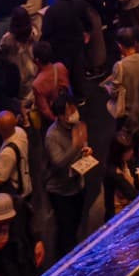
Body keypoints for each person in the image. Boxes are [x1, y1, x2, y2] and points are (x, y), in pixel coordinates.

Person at [43, 89, 91, 259]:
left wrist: (85, 149)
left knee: (77, 221)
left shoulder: (77, 125)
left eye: (74, 109)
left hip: (78, 183)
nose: (73, 114)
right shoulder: (52, 136)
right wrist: (76, 146)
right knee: (65, 229)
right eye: (68, 112)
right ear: (59, 116)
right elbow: (58, 163)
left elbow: (83, 142)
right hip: (60, 190)